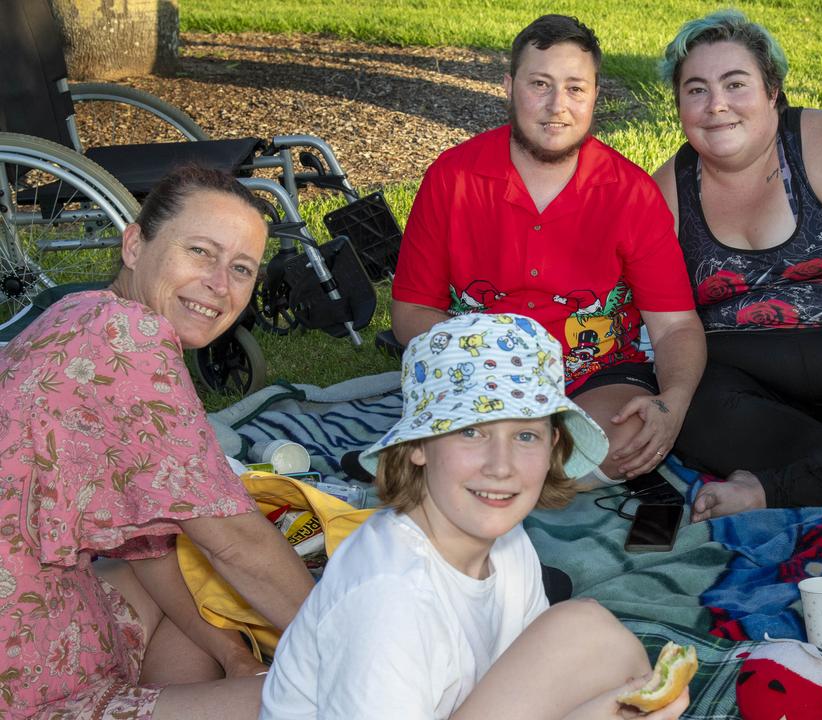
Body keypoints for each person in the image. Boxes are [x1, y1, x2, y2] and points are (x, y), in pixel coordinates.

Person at [261, 313, 691, 720]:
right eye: (471, 432)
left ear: (552, 448)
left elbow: (528, 677)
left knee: (595, 638)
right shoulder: (389, 598)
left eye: (525, 435)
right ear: (418, 447)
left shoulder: (506, 541)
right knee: (585, 635)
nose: (500, 466)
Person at [0, 166, 316, 720]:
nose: (220, 283)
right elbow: (236, 542)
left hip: (43, 613)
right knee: (321, 699)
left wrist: (233, 655)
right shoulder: (132, 337)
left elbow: (147, 549)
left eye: (241, 268)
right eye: (200, 251)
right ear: (133, 244)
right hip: (29, 683)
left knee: (191, 594)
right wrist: (355, 644)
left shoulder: (75, 312)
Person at [390, 14, 705, 487]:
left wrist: (673, 402)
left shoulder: (632, 192)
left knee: (629, 440)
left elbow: (676, 324)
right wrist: (496, 361)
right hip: (483, 371)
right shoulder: (452, 177)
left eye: (576, 88)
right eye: (540, 83)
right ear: (509, 85)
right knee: (493, 441)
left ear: (595, 94)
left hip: (595, 371)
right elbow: (411, 311)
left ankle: (475, 473)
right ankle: (519, 470)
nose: (558, 105)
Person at [650, 10, 822, 521]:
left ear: (772, 90)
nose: (717, 106)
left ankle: (793, 482)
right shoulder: (665, 193)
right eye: (696, 90)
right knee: (686, 408)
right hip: (747, 381)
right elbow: (667, 325)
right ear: (680, 105)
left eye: (735, 84)